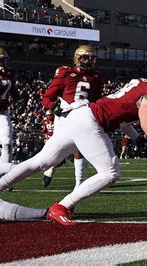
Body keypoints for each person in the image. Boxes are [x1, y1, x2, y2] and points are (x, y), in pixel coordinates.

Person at [0, 63, 147, 225]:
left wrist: (137, 138)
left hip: (80, 117)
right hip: (91, 121)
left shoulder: (142, 84)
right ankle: (62, 207)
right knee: (110, 172)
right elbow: (146, 122)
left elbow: (121, 114)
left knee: (40, 161)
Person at [41, 45, 103, 189]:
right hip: (64, 116)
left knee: (79, 147)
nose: (88, 61)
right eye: (85, 58)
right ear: (76, 58)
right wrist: (53, 107)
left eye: (91, 58)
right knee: (56, 151)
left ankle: (79, 183)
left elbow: (96, 100)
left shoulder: (97, 78)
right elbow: (47, 98)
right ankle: (50, 167)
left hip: (83, 116)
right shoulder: (65, 72)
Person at [0, 48, 17, 192]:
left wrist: (18, 100)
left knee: (7, 142)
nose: (1, 63)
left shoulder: (10, 74)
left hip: (1, 113)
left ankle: (6, 178)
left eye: (3, 60)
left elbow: (14, 93)